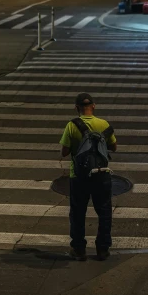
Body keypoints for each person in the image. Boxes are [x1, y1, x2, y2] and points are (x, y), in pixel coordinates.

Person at [60, 93, 117, 262]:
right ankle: (103, 249)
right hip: (102, 175)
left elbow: (64, 152)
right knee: (104, 211)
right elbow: (114, 147)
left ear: (77, 108)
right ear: (93, 106)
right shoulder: (103, 124)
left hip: (79, 176)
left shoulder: (72, 125)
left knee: (78, 212)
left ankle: (79, 250)